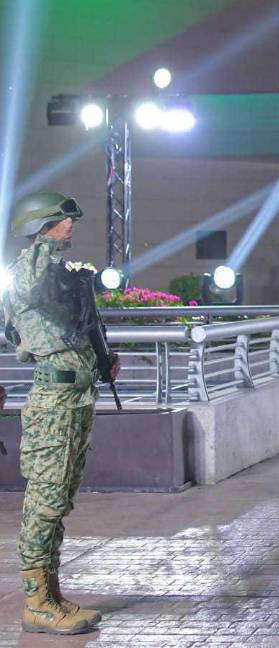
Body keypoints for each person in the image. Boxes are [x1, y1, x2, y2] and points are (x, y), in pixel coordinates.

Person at [3, 192, 119, 635]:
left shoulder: (53, 272)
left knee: (60, 500)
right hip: (53, 402)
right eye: (59, 220)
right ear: (39, 227)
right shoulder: (26, 271)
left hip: (76, 400)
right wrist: (44, 244)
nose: (69, 226)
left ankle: (49, 594)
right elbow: (30, 287)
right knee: (45, 503)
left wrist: (103, 356)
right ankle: (36, 602)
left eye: (69, 220)